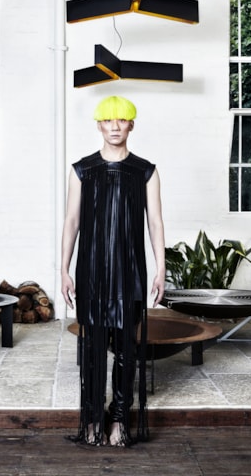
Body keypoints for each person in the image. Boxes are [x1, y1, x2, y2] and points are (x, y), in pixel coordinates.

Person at [61, 95, 166, 447]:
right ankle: (93, 418)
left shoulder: (146, 171)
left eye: (121, 120)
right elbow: (71, 221)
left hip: (129, 272)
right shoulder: (82, 170)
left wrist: (161, 268)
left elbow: (155, 222)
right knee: (92, 350)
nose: (115, 127)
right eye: (108, 120)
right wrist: (64, 269)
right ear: (99, 125)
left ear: (131, 125)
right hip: (91, 272)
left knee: (126, 351)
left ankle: (119, 419)